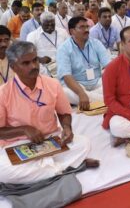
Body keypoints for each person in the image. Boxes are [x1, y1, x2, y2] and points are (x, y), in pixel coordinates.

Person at [0, 41, 97, 184]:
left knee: (83, 143)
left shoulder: (53, 84)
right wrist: (24, 130)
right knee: (3, 171)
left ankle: (47, 168)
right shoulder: (3, 93)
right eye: (26, 63)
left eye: (35, 60)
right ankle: (63, 168)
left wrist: (67, 128)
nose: (33, 66)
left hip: (51, 138)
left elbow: (64, 112)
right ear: (14, 67)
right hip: (19, 144)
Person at [56, 17, 111, 109]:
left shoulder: (96, 43)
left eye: (87, 27)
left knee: (113, 82)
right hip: (77, 84)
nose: (86, 30)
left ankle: (91, 99)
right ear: (72, 31)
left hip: (97, 82)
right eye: (82, 27)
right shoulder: (63, 48)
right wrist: (81, 93)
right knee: (64, 92)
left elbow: (109, 66)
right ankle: (107, 99)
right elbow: (67, 76)